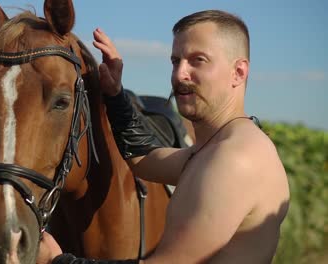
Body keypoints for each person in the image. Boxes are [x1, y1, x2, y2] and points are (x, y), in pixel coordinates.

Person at [37, 9, 290, 264]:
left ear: (239, 72)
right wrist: (115, 95)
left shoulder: (236, 159)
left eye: (198, 60)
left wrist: (57, 262)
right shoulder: (212, 151)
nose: (180, 74)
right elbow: (144, 158)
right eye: (175, 61)